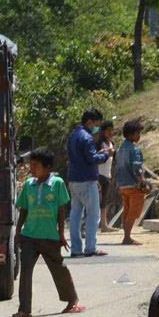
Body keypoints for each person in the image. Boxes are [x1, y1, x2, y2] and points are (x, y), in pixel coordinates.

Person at [11, 146, 83, 317]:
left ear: (48, 167)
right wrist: (19, 231)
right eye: (31, 165)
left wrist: (61, 234)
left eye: (36, 165)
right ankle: (24, 309)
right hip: (29, 236)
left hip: (49, 237)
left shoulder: (57, 184)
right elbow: (24, 210)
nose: (32, 168)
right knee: (26, 272)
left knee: (58, 269)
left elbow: (61, 210)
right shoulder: (29, 185)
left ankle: (72, 299)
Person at [65, 108, 109, 256]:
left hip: (73, 179)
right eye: (97, 124)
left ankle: (76, 249)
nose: (97, 128)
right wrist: (105, 155)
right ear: (90, 122)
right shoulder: (88, 138)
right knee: (93, 214)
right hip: (87, 180)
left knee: (75, 214)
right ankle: (90, 247)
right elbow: (92, 159)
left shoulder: (72, 136)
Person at [113, 118, 148, 245]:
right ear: (131, 134)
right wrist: (142, 181)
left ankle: (126, 234)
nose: (139, 136)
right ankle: (127, 237)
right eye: (138, 133)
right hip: (134, 185)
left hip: (122, 185)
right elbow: (137, 167)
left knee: (126, 210)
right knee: (133, 212)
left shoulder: (120, 149)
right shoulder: (134, 149)